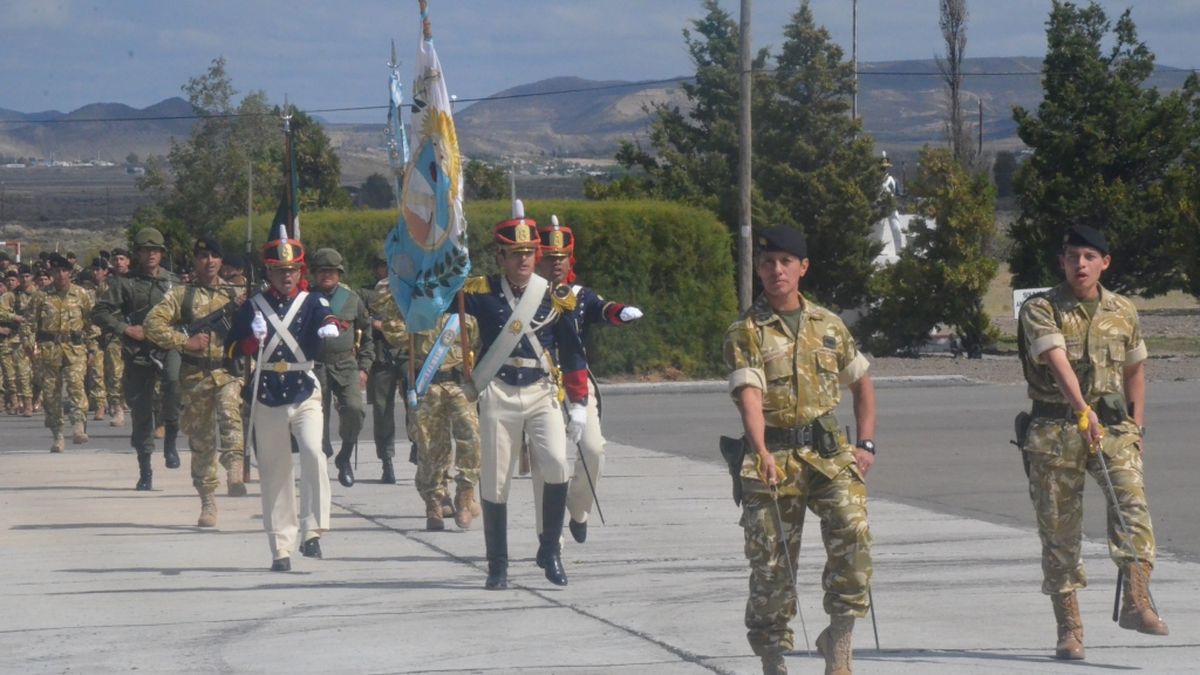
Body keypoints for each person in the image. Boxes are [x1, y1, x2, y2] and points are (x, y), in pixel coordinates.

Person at [723, 225, 877, 675]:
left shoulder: (828, 325)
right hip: (772, 455)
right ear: (759, 269)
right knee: (771, 565)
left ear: (802, 268)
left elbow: (862, 384)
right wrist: (761, 450)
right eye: (768, 263)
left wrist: (865, 444)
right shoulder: (746, 332)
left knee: (854, 531)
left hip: (829, 454)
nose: (776, 270)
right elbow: (749, 395)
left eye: (785, 262)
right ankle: (773, 657)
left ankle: (840, 639)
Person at [1016, 224, 1168, 661]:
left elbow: (1135, 368)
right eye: (1071, 256)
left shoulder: (1123, 310)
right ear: (1061, 262)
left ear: (1105, 262)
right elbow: (1055, 360)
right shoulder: (1041, 308)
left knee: (1133, 509)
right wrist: (1082, 409)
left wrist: (1136, 428)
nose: (1079, 265)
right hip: (1056, 431)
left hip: (1113, 431)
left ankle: (1137, 602)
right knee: (1060, 531)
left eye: (1088, 256)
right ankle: (1069, 629)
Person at [459, 202, 589, 589]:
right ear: (500, 256)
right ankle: (497, 565)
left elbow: (573, 350)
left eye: (530, 252)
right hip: (498, 389)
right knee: (496, 479)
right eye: (516, 254)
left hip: (541, 390)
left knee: (556, 466)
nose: (524, 260)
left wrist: (578, 403)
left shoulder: (555, 296)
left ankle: (549, 549)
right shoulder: (479, 293)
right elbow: (434, 305)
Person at [227, 231, 340, 572]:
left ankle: (313, 530)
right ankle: (281, 547)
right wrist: (252, 338)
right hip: (267, 391)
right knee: (275, 471)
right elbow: (231, 350)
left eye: (292, 269)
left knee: (312, 452)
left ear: (301, 270)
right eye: (279, 270)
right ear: (269, 272)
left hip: (303, 387)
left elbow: (327, 318)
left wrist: (330, 328)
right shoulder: (253, 306)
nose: (287, 275)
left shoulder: (313, 302)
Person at [531, 216, 642, 544]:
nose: (555, 264)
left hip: (576, 380)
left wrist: (620, 312)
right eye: (549, 258)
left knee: (593, 450)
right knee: (546, 461)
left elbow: (600, 308)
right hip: (537, 383)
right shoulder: (525, 298)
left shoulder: (578, 295)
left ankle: (578, 509)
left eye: (561, 258)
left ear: (570, 260)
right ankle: (548, 536)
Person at [144, 237, 246, 528]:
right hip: (196, 375)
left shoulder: (237, 292)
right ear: (195, 260)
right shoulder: (181, 295)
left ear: (222, 261)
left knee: (230, 414)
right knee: (202, 441)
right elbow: (153, 324)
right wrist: (184, 342)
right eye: (203, 256)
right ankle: (208, 501)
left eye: (214, 256)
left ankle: (235, 467)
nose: (209, 261)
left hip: (227, 370)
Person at [92, 227, 182, 490]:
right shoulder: (125, 283)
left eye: (156, 250)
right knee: (141, 411)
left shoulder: (173, 282)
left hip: (168, 347)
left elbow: (188, 311)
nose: (151, 255)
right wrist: (125, 328)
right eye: (146, 250)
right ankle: (145, 468)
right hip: (138, 351)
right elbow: (99, 312)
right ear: (138, 254)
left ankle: (171, 442)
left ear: (162, 253)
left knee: (174, 387)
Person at [380, 299, 480, 531]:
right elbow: (394, 335)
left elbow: (475, 344)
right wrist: (396, 294)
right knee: (430, 447)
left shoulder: (465, 319)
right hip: (428, 386)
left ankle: (465, 495)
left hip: (458, 385)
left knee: (472, 439)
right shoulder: (414, 317)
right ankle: (434, 500)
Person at [309, 248, 373, 487]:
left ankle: (344, 455)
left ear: (339, 273)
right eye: (322, 271)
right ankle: (320, 460)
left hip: (346, 363)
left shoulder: (351, 298)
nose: (327, 275)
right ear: (314, 273)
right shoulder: (306, 298)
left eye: (332, 271)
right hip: (315, 364)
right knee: (317, 418)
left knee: (355, 409)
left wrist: (364, 367)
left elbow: (367, 335)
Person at [30, 254, 95, 452]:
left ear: (70, 273)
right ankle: (58, 434)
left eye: (64, 271)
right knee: (51, 393)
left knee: (76, 385)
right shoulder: (41, 296)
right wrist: (29, 344)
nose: (60, 275)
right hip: (49, 349)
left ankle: (78, 425)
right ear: (50, 273)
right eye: (56, 271)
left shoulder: (81, 294)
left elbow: (91, 323)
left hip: (75, 348)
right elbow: (29, 323)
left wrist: (92, 348)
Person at [362, 253, 406, 483]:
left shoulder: (407, 290)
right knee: (381, 411)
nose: (386, 270)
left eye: (390, 266)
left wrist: (385, 325)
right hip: (381, 356)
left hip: (408, 353)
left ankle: (419, 446)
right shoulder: (367, 294)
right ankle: (386, 460)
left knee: (417, 403)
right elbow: (362, 319)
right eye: (382, 266)